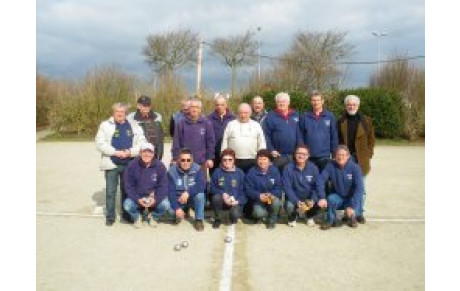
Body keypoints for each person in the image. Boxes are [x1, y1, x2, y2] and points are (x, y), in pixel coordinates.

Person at [95, 102, 146, 226]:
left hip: (129, 164)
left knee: (126, 190)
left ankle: (126, 214)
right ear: (113, 113)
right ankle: (110, 217)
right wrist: (115, 152)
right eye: (117, 112)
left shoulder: (134, 126)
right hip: (111, 163)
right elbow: (100, 143)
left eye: (122, 112)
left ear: (125, 113)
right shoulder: (105, 125)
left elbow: (141, 142)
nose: (119, 114)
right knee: (111, 191)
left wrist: (130, 152)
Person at [337, 95, 375, 224]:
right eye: (349, 104)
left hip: (361, 159)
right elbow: (338, 140)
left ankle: (359, 213)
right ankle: (348, 213)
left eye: (354, 104)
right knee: (347, 187)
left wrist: (369, 154)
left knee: (361, 188)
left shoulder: (366, 121)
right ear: (346, 106)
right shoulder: (341, 121)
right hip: (346, 159)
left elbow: (371, 139)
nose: (351, 106)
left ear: (358, 106)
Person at [123, 143, 173, 228]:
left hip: (153, 197)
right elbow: (128, 186)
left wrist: (155, 199)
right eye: (144, 152)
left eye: (150, 152)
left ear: (153, 154)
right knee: (127, 205)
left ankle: (154, 217)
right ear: (140, 153)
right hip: (139, 197)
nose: (147, 154)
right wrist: (137, 199)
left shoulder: (160, 166)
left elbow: (163, 186)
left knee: (165, 204)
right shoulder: (131, 165)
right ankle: (137, 218)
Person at [320, 145, 364, 230]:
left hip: (351, 198)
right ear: (335, 156)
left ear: (348, 156)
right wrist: (322, 197)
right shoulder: (330, 166)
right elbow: (321, 180)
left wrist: (352, 206)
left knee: (355, 207)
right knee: (331, 198)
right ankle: (330, 220)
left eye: (343, 155)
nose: (341, 157)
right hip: (339, 197)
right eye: (338, 155)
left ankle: (351, 216)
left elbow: (359, 188)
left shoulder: (355, 167)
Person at [282, 145, 327, 227]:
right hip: (295, 198)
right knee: (289, 206)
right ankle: (293, 217)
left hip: (308, 198)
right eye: (298, 153)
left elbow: (317, 185)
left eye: (304, 154)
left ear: (308, 156)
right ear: (295, 154)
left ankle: (309, 216)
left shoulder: (313, 168)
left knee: (321, 203)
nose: (301, 156)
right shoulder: (288, 168)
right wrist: (297, 201)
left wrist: (313, 199)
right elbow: (287, 188)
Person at [168, 148, 207, 231]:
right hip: (179, 199)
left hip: (192, 198)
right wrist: (176, 208)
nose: (185, 162)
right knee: (171, 211)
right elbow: (170, 192)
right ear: (179, 160)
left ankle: (199, 219)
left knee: (200, 195)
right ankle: (183, 210)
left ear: (192, 160)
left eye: (188, 160)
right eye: (183, 160)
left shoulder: (197, 169)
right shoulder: (171, 171)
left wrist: (188, 192)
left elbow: (202, 185)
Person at [221, 103, 266, 173]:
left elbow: (262, 143)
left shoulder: (256, 125)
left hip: (252, 160)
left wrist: (262, 159)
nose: (243, 115)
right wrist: (223, 156)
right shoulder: (231, 124)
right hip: (234, 160)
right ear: (237, 113)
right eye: (241, 113)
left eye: (246, 113)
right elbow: (225, 141)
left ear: (250, 113)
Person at [299, 90, 338, 171]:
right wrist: (302, 152)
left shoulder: (330, 116)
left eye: (318, 100)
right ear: (310, 102)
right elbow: (300, 135)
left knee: (325, 181)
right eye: (313, 100)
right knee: (310, 181)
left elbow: (334, 135)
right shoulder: (304, 116)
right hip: (309, 156)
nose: (315, 102)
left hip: (325, 156)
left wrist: (334, 152)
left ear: (322, 101)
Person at [171, 98, 215, 171]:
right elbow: (176, 142)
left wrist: (210, 158)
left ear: (200, 109)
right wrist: (175, 158)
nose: (194, 109)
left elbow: (210, 142)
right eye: (192, 107)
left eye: (197, 107)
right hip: (185, 162)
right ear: (188, 109)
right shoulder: (181, 123)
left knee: (201, 182)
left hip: (201, 162)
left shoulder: (207, 123)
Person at [262, 92, 302, 171]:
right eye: (279, 102)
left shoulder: (296, 115)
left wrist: (299, 149)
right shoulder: (270, 117)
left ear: (288, 103)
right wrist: (271, 150)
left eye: (284, 101)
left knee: (292, 178)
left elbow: (300, 134)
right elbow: (266, 135)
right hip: (278, 156)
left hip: (293, 155)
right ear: (276, 103)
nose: (281, 103)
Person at [244, 149, 282, 229]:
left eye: (265, 159)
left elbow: (279, 187)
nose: (262, 161)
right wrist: (258, 195)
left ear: (269, 161)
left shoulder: (274, 171)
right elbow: (248, 190)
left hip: (271, 198)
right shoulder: (251, 172)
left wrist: (272, 194)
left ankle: (272, 219)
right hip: (258, 200)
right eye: (260, 159)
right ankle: (267, 214)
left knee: (276, 202)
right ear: (256, 160)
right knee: (258, 213)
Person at [209, 149, 246, 229]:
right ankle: (217, 218)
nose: (227, 162)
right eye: (225, 160)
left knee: (234, 216)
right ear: (221, 161)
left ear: (234, 160)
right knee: (216, 197)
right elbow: (211, 187)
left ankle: (233, 215)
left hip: (235, 202)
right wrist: (223, 194)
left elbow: (244, 192)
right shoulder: (217, 172)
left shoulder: (240, 173)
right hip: (222, 201)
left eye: (230, 160)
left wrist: (238, 201)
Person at [127, 95, 164, 160]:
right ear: (138, 106)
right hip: (138, 153)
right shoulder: (130, 118)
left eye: (148, 105)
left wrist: (160, 153)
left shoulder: (158, 117)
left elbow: (160, 137)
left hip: (154, 152)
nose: (146, 107)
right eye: (144, 105)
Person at [207, 94, 236, 176]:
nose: (219, 106)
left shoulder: (233, 118)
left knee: (228, 175)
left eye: (222, 104)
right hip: (214, 153)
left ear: (226, 105)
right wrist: (209, 156)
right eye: (217, 105)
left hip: (228, 154)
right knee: (214, 176)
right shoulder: (209, 119)